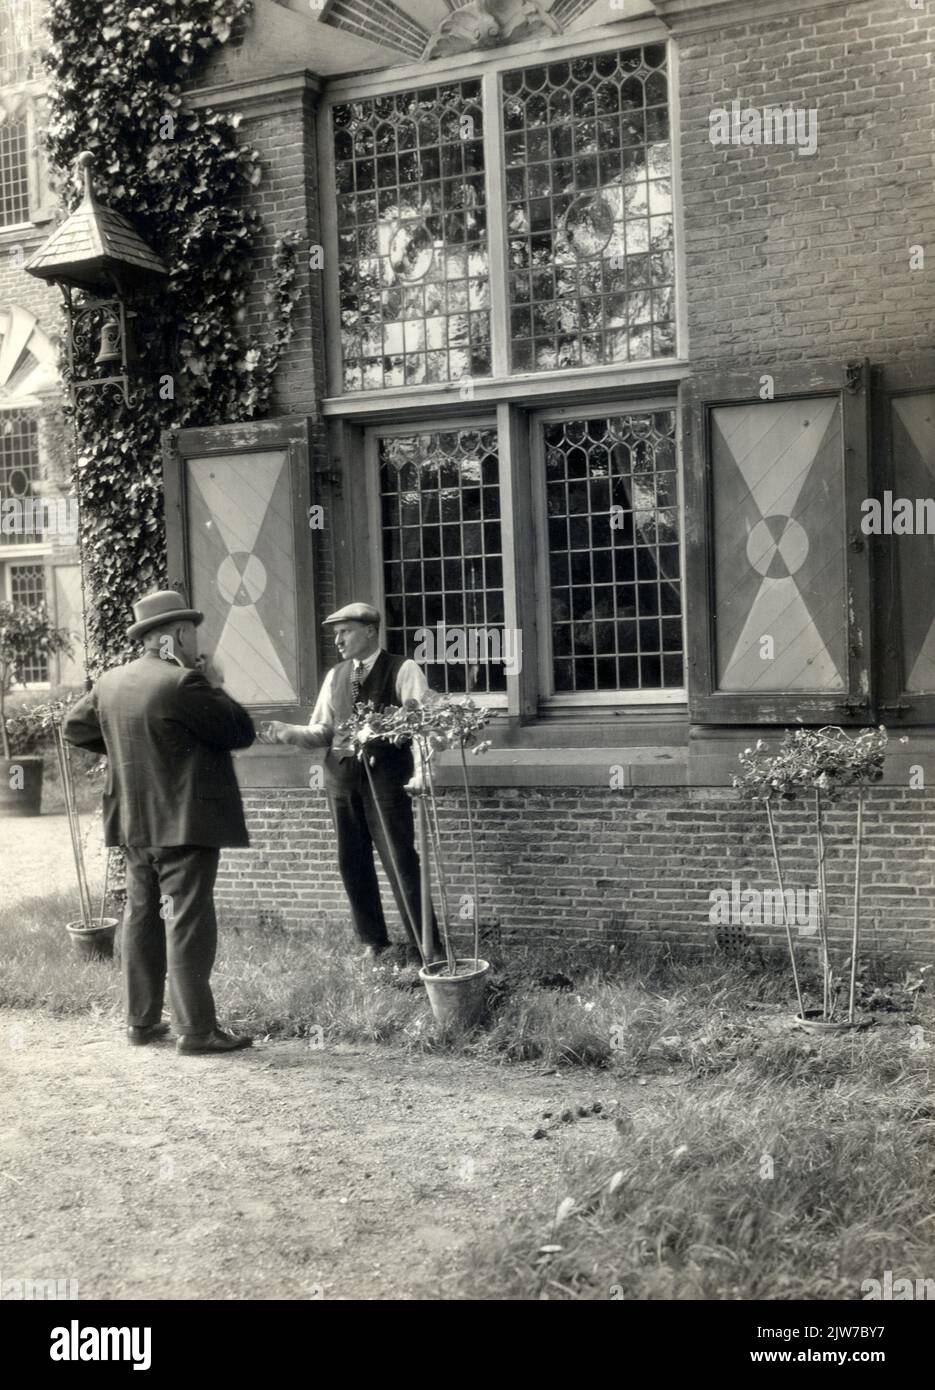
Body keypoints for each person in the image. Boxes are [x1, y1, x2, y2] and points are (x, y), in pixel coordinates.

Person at [63, 589, 256, 1055]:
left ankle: (141, 1022)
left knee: (142, 917)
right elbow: (240, 731)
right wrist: (213, 681)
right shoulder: (185, 683)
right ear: (179, 634)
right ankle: (197, 1031)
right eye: (193, 634)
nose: (196, 643)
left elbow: (74, 727)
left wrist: (131, 748)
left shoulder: (110, 682)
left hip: (134, 823)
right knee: (188, 921)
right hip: (185, 823)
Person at [259, 602, 441, 963]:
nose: (338, 641)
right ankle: (374, 943)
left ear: (370, 631)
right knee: (352, 861)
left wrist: (424, 772)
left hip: (386, 779)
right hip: (341, 780)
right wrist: (290, 733)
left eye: (345, 632)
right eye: (336, 634)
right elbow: (323, 730)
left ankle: (428, 950)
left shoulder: (402, 669)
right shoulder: (336, 675)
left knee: (400, 860)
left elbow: (422, 727)